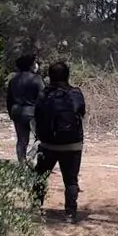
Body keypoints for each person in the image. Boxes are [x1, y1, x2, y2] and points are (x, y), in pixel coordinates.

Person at [32, 61, 86, 223]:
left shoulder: (43, 94)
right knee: (70, 180)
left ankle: (36, 207)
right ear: (68, 75)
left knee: (40, 177)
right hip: (72, 145)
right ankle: (70, 213)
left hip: (47, 144)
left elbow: (37, 117)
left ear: (49, 76)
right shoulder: (75, 93)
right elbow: (81, 112)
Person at [6, 54, 45, 163]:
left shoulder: (13, 80)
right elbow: (43, 97)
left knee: (22, 140)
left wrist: (11, 113)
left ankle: (22, 163)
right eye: (34, 63)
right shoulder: (36, 79)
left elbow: (9, 99)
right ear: (31, 66)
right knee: (41, 139)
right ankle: (31, 157)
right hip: (32, 113)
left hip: (17, 113)